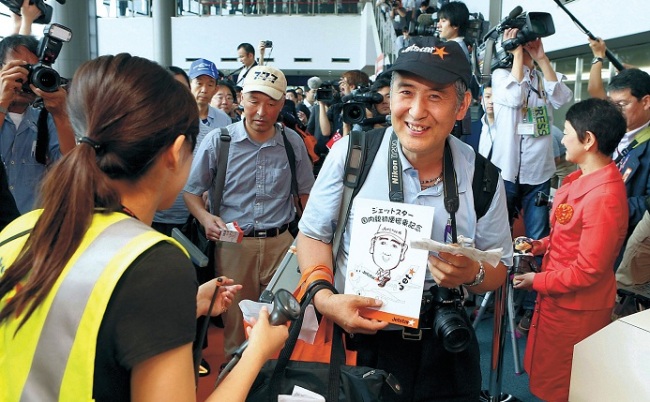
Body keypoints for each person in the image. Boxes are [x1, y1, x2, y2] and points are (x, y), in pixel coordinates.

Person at [0, 53, 288, 402]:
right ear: (176, 151)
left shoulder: (19, 231)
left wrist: (182, 305)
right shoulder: (153, 264)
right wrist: (257, 350)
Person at [296, 40, 512, 402]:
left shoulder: (483, 177)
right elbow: (313, 234)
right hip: (359, 334)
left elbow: (499, 266)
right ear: (390, 97)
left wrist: (471, 274)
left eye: (435, 97)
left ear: (462, 106)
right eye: (406, 92)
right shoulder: (354, 156)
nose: (416, 111)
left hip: (443, 340)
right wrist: (323, 298)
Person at [183, 65, 314, 362]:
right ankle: (235, 376)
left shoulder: (292, 142)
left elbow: (306, 193)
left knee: (282, 319)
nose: (261, 111)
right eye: (254, 100)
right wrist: (206, 219)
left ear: (282, 104)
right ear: (241, 98)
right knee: (235, 323)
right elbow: (191, 192)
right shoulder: (220, 141)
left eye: (271, 103)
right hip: (233, 247)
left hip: (282, 244)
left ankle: (271, 379)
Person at [513, 98, 629, 402]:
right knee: (550, 373)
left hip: (576, 307)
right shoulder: (583, 179)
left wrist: (535, 282)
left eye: (566, 132)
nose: (562, 139)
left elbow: (588, 269)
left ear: (588, 140)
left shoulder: (603, 196)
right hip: (560, 297)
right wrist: (539, 246)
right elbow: (569, 236)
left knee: (565, 384)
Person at [490, 28, 573, 331]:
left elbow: (563, 96)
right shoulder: (501, 77)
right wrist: (515, 57)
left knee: (535, 240)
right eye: (522, 47)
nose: (526, 50)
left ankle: (527, 306)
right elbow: (513, 97)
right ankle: (494, 297)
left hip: (538, 172)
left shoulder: (540, 78)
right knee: (497, 235)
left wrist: (540, 56)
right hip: (508, 171)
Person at [152, 58, 230, 237]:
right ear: (189, 85)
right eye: (199, 83)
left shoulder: (223, 120)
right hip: (163, 209)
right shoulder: (168, 117)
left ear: (216, 88)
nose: (204, 89)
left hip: (199, 212)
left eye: (210, 84)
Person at [0, 34, 76, 214]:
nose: (26, 79)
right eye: (21, 69)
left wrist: (61, 114)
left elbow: (71, 170)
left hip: (32, 230)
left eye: (34, 71)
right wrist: (3, 101)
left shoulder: (47, 121)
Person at [608, 68, 650, 268]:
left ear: (646, 102)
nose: (615, 112)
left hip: (631, 248)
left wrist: (609, 208)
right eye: (612, 105)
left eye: (622, 105)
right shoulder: (608, 134)